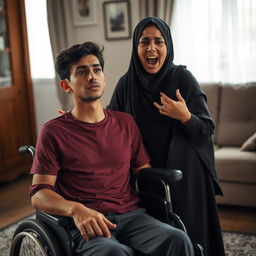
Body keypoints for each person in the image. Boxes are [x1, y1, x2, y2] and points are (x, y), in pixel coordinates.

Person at [29, 41, 194, 256]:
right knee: (114, 252)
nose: (92, 76)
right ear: (66, 85)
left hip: (131, 216)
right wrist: (76, 209)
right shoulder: (53, 132)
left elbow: (143, 169)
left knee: (177, 239)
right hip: (87, 223)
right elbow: (39, 194)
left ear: (104, 78)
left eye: (97, 69)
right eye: (82, 71)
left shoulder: (125, 123)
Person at [108, 17, 225, 256]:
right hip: (143, 174)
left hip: (183, 174)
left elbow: (206, 129)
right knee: (152, 237)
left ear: (167, 46)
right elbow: (108, 123)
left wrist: (185, 116)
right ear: (136, 47)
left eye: (158, 41)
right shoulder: (126, 84)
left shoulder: (182, 78)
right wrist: (78, 119)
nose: (152, 48)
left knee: (188, 234)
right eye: (144, 42)